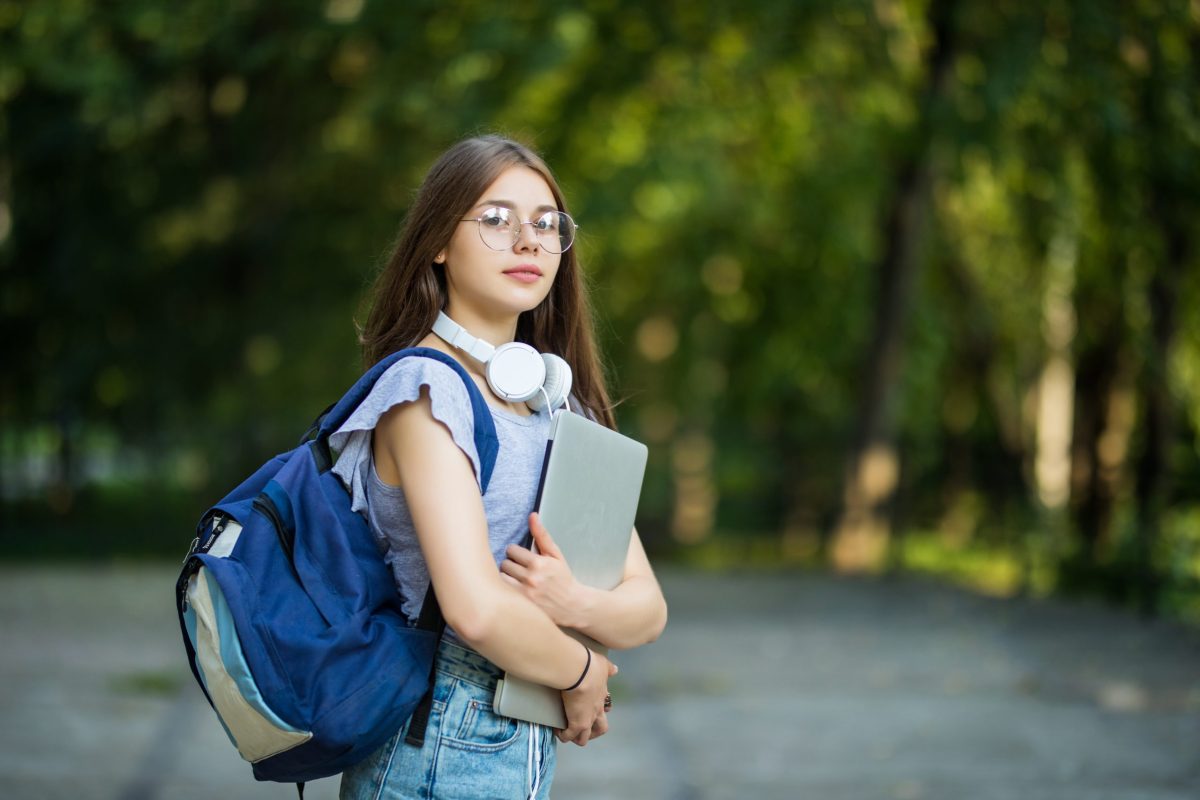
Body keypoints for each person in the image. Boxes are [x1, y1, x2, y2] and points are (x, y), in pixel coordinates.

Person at [333, 134, 668, 800]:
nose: (529, 241)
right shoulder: (425, 393)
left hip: (520, 739)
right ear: (436, 241)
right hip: (434, 739)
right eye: (495, 219)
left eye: (547, 224)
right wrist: (581, 671)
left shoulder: (556, 401)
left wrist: (574, 602)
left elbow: (648, 608)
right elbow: (476, 610)